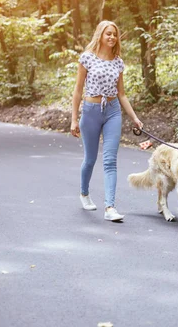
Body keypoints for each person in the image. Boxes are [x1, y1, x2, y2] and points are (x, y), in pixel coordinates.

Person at [70, 20, 143, 222]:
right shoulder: (87, 58)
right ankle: (84, 193)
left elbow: (122, 94)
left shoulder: (118, 62)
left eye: (115, 34)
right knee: (90, 159)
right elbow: (77, 91)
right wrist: (74, 119)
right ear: (100, 35)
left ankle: (110, 207)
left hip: (112, 111)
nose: (112, 37)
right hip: (91, 110)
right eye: (108, 33)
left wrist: (135, 118)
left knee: (110, 161)